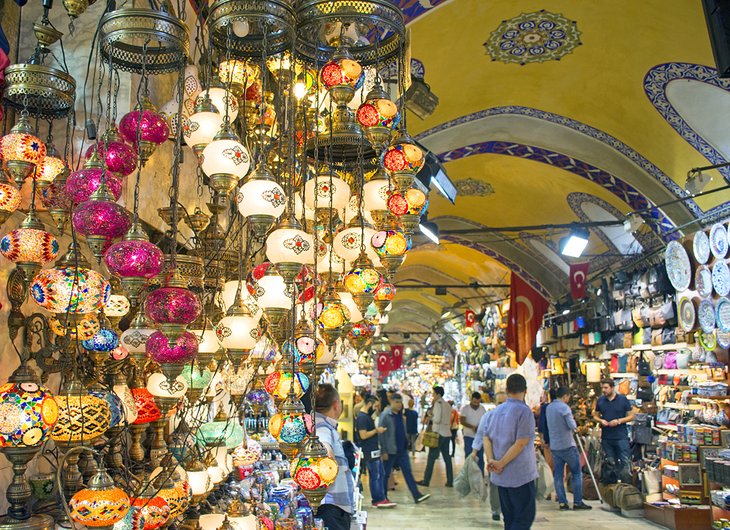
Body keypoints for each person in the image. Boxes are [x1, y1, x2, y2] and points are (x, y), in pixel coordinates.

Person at [481, 374, 538, 530]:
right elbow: (520, 443)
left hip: (501, 477)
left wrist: (492, 460)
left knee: (509, 518)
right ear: (525, 391)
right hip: (520, 475)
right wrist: (500, 463)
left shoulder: (494, 412)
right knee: (523, 519)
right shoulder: (524, 412)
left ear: (506, 390)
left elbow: (486, 438)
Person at [314, 384, 355, 530]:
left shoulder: (319, 423)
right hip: (331, 506)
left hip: (331, 504)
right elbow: (324, 448)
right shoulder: (322, 427)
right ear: (336, 404)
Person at [378, 393, 431, 504]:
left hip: (401, 450)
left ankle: (416, 495)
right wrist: (383, 451)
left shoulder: (400, 415)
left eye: (400, 402)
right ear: (391, 402)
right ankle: (383, 497)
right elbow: (381, 434)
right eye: (396, 402)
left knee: (408, 472)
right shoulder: (385, 415)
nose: (399, 405)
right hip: (390, 450)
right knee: (386, 474)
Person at [546, 386, 592, 511]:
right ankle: (577, 502)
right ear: (565, 396)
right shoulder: (564, 408)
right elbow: (572, 425)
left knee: (558, 475)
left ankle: (562, 502)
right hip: (567, 445)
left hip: (555, 446)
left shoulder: (549, 408)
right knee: (577, 473)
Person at [356, 395, 396, 509]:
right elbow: (363, 435)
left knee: (380, 474)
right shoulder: (362, 417)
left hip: (374, 449)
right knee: (375, 475)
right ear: (369, 404)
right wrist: (376, 430)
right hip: (369, 450)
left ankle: (382, 497)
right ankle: (377, 499)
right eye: (375, 406)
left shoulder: (367, 416)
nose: (376, 408)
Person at [472, 392, 506, 521]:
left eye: (505, 402)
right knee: (495, 483)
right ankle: (496, 509)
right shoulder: (488, 416)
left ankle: (508, 508)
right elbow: (481, 435)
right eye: (500, 403)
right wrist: (475, 452)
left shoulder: (514, 416)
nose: (502, 406)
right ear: (495, 403)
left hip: (510, 456)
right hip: (494, 455)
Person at [593, 379, 635, 477]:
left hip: (621, 436)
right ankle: (612, 487)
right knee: (609, 463)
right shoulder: (600, 401)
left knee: (625, 462)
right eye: (602, 388)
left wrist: (618, 421)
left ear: (612, 388)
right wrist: (601, 420)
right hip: (607, 437)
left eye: (606, 388)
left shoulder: (622, 400)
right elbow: (595, 415)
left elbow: (631, 416)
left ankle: (626, 486)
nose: (604, 390)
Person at [418, 386, 454, 487]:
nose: (433, 396)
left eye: (434, 394)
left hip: (438, 433)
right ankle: (450, 480)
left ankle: (426, 480)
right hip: (447, 433)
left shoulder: (438, 404)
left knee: (431, 458)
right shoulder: (447, 405)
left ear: (438, 394)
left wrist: (430, 415)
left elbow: (437, 419)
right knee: (447, 458)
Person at [461, 392, 487, 473]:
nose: (476, 404)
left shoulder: (482, 409)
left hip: (479, 437)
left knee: (480, 458)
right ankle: (469, 477)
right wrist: (472, 427)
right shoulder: (465, 409)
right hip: (468, 436)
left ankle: (481, 478)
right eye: (475, 402)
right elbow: (462, 421)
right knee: (469, 457)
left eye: (478, 402)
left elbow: (485, 421)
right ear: (471, 400)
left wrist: (479, 427)